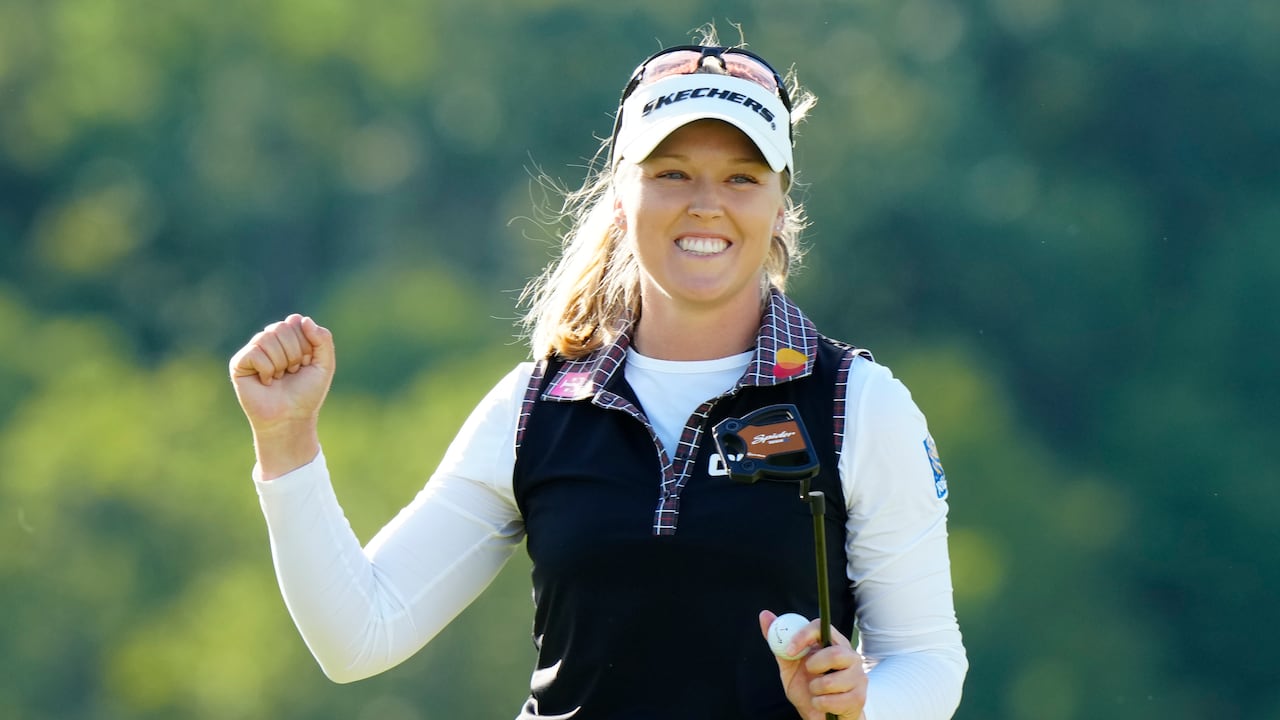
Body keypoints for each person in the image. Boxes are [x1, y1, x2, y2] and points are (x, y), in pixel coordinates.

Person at [230, 29, 967, 720]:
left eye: (741, 177)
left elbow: (928, 661)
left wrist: (863, 703)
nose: (706, 204)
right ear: (622, 196)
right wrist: (286, 440)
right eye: (672, 173)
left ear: (781, 204)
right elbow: (359, 635)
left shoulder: (859, 406)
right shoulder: (535, 405)